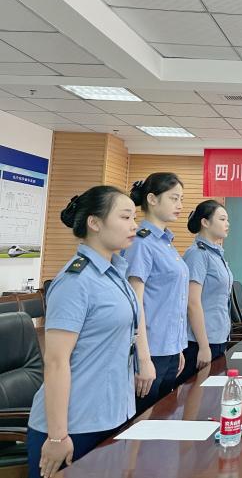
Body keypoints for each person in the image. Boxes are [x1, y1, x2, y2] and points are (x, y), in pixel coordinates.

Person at [27, 187, 139, 478]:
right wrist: (57, 437)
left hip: (112, 415)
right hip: (74, 427)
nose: (134, 225)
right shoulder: (76, 281)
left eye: (134, 217)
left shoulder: (115, 274)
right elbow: (56, 361)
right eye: (125, 217)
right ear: (94, 223)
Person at [124, 173, 189, 413]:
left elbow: (171, 301)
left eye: (181, 199)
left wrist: (177, 347)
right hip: (150, 350)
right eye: (174, 198)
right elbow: (135, 303)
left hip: (169, 349)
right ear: (152, 199)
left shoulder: (165, 242)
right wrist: (143, 358)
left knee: (164, 418)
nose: (179, 205)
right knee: (143, 421)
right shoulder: (141, 243)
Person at [179, 200, 234, 382]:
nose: (227, 224)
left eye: (227, 220)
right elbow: (192, 302)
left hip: (218, 337)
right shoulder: (198, 254)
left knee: (213, 395)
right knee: (195, 393)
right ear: (205, 222)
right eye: (222, 219)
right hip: (200, 341)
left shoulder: (216, 254)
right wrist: (203, 346)